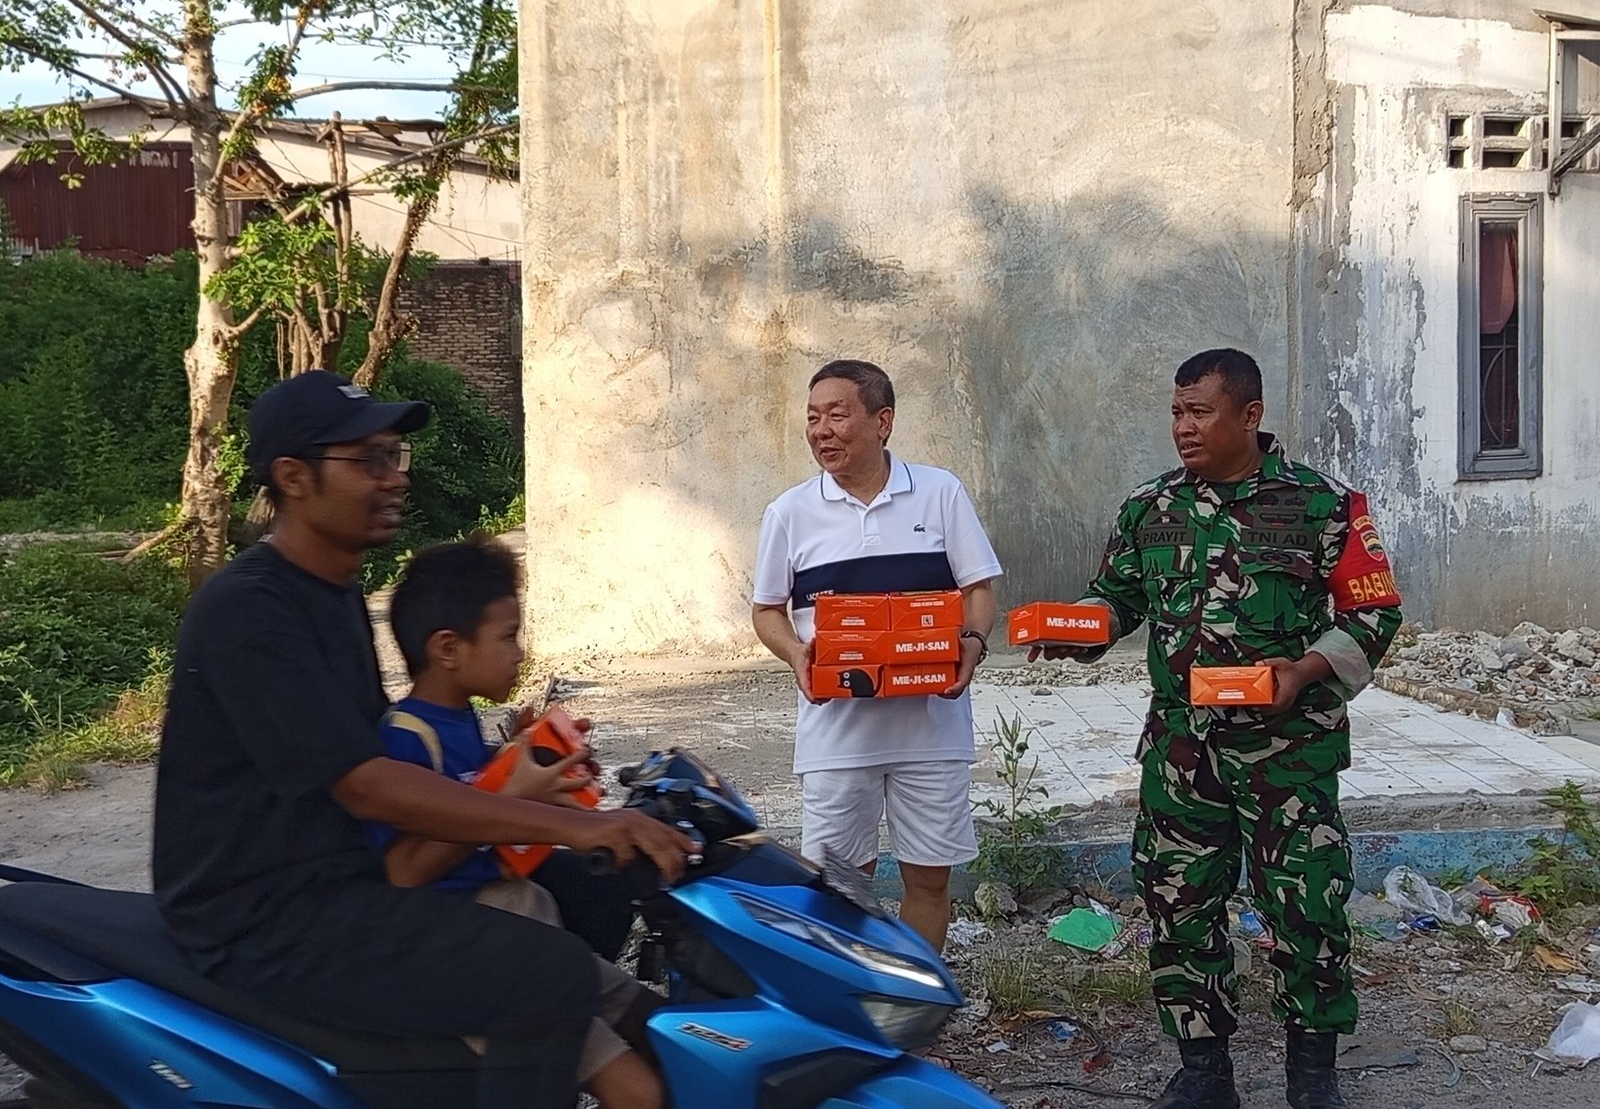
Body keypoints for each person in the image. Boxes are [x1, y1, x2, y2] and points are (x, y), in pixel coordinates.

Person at [152, 370, 696, 1109]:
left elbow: (378, 748)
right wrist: (580, 824)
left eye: (394, 456)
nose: (394, 477)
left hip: (346, 880)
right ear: (294, 478)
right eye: (369, 460)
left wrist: (523, 773)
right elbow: (366, 782)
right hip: (269, 917)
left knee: (594, 892)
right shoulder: (248, 610)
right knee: (546, 975)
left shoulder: (334, 592)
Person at [1030, 349, 1403, 1109]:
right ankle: (1203, 1074)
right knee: (1179, 906)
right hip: (1182, 753)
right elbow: (1117, 599)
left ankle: (1313, 1077)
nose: (1184, 427)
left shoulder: (1323, 505)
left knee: (1307, 906)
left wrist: (1304, 670)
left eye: (1200, 411)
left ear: (1250, 415)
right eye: (1176, 412)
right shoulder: (1150, 507)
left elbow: (1373, 613)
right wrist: (1079, 630)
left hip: (1287, 753)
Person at [375, 536, 662, 1109]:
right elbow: (403, 870)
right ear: (448, 648)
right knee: (638, 1093)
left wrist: (543, 772)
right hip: (478, 958)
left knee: (661, 1024)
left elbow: (490, 808)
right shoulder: (406, 739)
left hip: (532, 934)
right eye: (508, 637)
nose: (520, 653)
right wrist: (513, 792)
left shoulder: (462, 724)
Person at [751, 359, 1003, 953]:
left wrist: (971, 644)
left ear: (883, 421)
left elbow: (978, 589)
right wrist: (797, 654)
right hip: (837, 736)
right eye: (812, 418)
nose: (821, 431)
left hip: (932, 731)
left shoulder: (939, 493)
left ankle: (914, 999)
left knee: (930, 882)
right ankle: (856, 1002)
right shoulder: (790, 512)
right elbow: (767, 610)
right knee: (842, 889)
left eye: (837, 415)